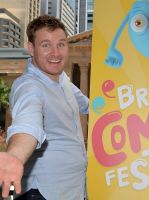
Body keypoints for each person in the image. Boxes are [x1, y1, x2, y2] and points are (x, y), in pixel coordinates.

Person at [0, 15, 89, 200]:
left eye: (61, 44)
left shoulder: (63, 80)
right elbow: (28, 123)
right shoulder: (29, 86)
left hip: (72, 190)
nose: (56, 53)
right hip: (43, 193)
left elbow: (88, 106)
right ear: (31, 48)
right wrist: (15, 156)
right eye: (46, 45)